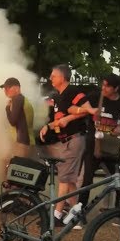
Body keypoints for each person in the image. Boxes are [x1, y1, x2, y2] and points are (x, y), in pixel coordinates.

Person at [73, 74, 120, 210]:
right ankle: (80, 211)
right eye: (103, 84)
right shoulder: (95, 97)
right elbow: (76, 104)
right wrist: (88, 109)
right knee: (87, 180)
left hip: (110, 146)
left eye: (107, 86)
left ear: (116, 88)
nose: (103, 88)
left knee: (118, 178)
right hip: (93, 145)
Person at [39, 64, 88, 226]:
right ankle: (78, 215)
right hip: (66, 140)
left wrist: (69, 119)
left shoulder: (73, 92)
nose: (50, 78)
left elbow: (87, 110)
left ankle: (57, 214)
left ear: (63, 77)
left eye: (53, 75)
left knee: (64, 178)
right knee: (70, 180)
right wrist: (48, 126)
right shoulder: (58, 97)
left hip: (75, 139)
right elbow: (58, 120)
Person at [0, 77, 35, 189]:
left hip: (22, 142)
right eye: (4, 88)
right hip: (23, 141)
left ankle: (18, 200)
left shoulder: (17, 99)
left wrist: (7, 108)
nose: (5, 91)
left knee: (18, 174)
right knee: (7, 162)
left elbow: (13, 121)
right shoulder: (22, 99)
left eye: (7, 88)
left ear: (16, 88)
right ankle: (11, 193)